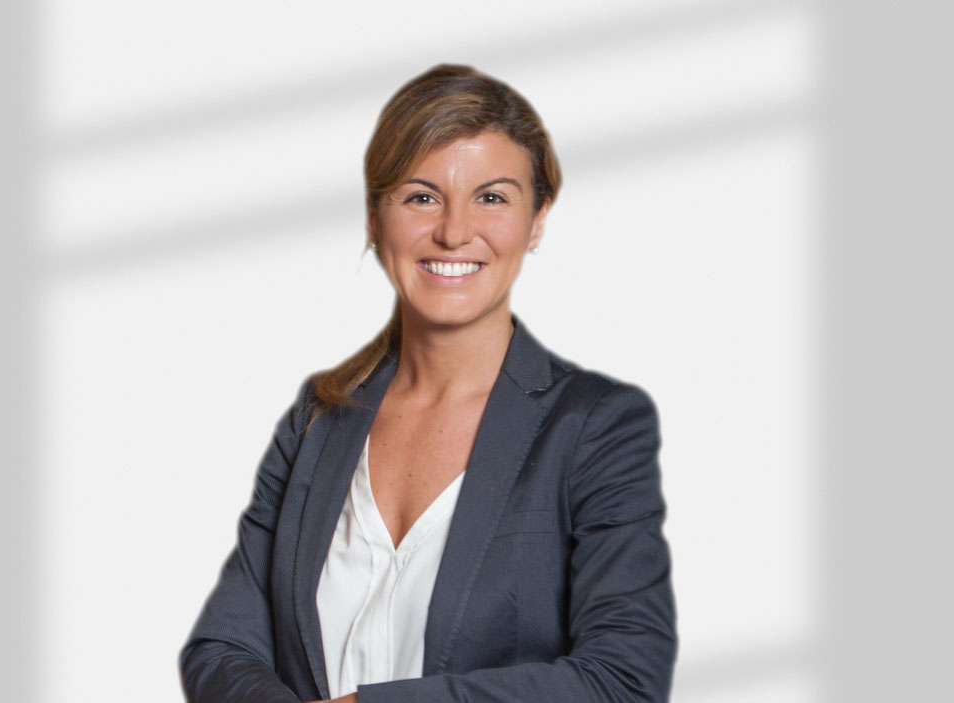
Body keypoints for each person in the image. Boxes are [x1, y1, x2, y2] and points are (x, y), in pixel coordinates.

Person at [179, 63, 677, 703]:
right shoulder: (317, 418)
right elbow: (223, 649)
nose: (453, 231)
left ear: (537, 219)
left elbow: (624, 679)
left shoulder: (598, 426)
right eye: (421, 196)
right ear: (374, 218)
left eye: (492, 198)